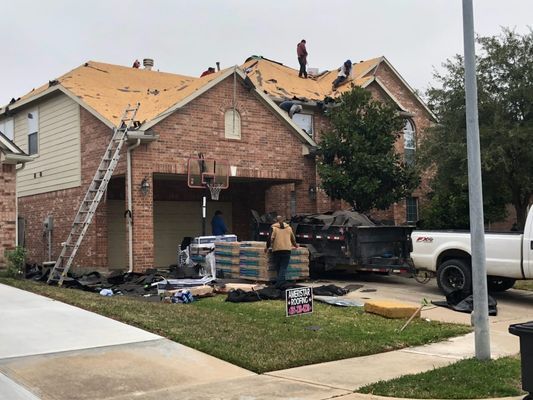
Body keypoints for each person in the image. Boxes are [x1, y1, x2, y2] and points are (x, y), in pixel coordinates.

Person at [266, 215, 298, 284]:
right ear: (283, 220)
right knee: (283, 267)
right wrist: (296, 246)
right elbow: (293, 239)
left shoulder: (273, 228)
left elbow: (270, 239)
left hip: (276, 250)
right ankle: (281, 283)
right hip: (287, 250)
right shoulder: (289, 228)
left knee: (278, 267)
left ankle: (280, 283)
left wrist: (267, 247)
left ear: (276, 221)